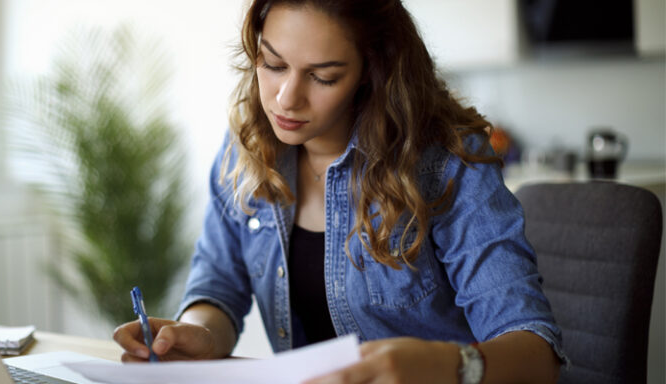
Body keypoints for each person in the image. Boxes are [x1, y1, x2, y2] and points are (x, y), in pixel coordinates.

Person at [114, 0, 567, 382]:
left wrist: (443, 365)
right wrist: (198, 333)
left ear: (373, 71)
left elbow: (536, 353)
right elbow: (217, 285)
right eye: (272, 64)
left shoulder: (446, 162)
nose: (286, 98)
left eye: (323, 76)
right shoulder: (246, 151)